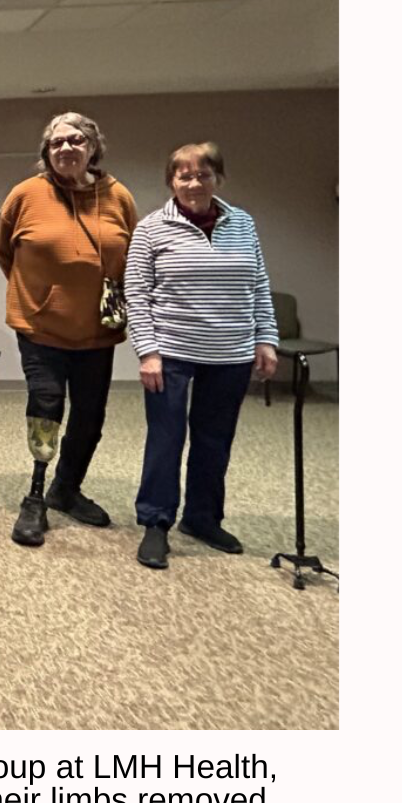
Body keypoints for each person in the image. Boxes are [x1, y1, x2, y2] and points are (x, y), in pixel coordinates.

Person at [126, 143, 279, 570]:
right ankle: (156, 524)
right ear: (171, 181)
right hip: (171, 352)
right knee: (166, 439)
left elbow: (258, 284)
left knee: (214, 441)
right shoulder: (152, 228)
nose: (194, 183)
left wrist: (265, 339)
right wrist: (148, 351)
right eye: (184, 175)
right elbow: (136, 294)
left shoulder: (242, 223)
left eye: (204, 175)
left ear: (219, 179)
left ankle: (202, 519)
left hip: (230, 352)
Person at [0, 112, 139, 548]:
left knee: (91, 416)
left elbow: (132, 252)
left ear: (93, 147)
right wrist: (41, 294)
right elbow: (5, 252)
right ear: (46, 152)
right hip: (40, 327)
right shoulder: (25, 194)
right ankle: (36, 495)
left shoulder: (118, 196)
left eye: (75, 140)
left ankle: (66, 488)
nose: (66, 148)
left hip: (97, 328)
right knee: (47, 405)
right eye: (56, 143)